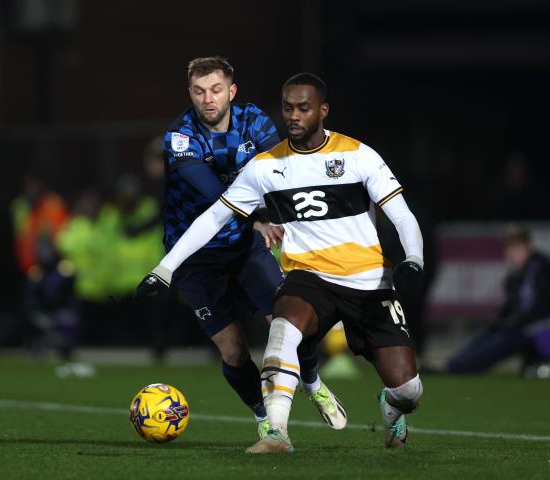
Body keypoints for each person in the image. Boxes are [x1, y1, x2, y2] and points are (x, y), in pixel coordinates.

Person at [134, 72, 426, 453]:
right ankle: (276, 433)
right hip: (308, 276)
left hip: (367, 280)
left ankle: (391, 408)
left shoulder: (358, 155)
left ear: (323, 111)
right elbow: (213, 218)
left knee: (408, 389)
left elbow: (401, 215)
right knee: (283, 328)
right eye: (288, 108)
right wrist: (165, 268)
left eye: (303, 108)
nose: (293, 116)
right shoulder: (264, 167)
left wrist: (414, 259)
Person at [136, 58, 345, 440]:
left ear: (231, 91)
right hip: (196, 257)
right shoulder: (180, 136)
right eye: (199, 92)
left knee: (289, 324)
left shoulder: (256, 123)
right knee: (233, 350)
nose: (207, 99)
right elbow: (214, 195)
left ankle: (313, 383)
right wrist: (259, 216)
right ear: (190, 94)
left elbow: (281, 171)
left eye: (215, 90)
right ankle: (264, 417)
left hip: (245, 247)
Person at [446, 224, 550, 377]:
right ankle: (454, 364)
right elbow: (509, 310)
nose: (512, 253)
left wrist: (513, 323)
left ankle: (459, 368)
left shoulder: (542, 269)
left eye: (517, 247)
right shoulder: (518, 276)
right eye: (509, 248)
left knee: (505, 341)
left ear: (529, 246)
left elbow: (544, 307)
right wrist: (499, 324)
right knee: (490, 332)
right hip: (538, 333)